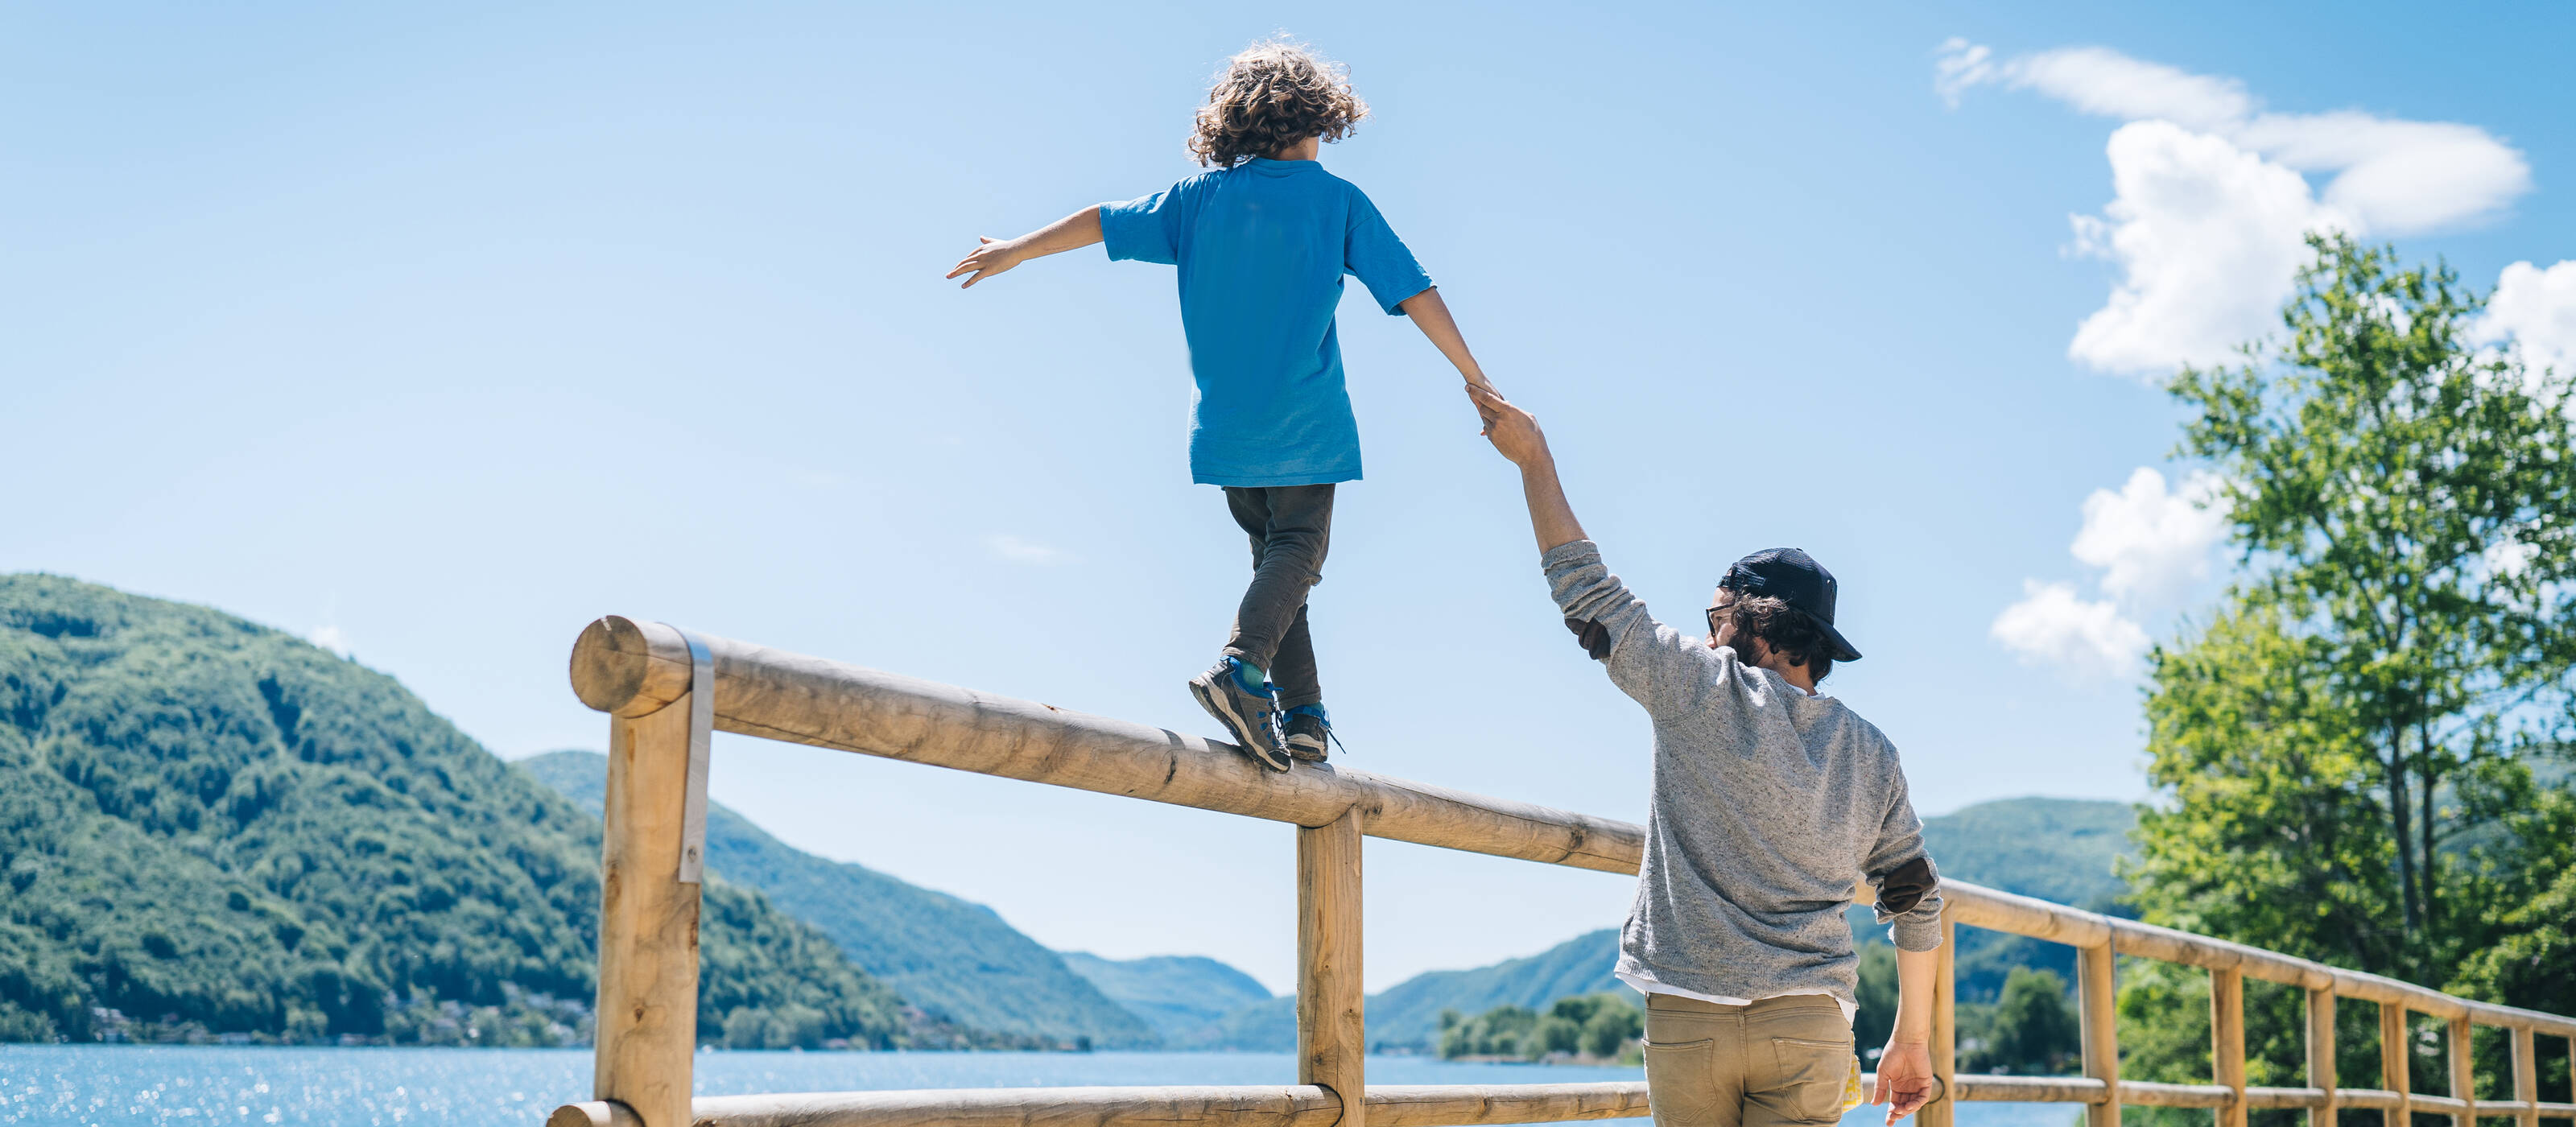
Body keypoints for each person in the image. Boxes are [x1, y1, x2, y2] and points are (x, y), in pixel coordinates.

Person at [947, 40, 1494, 770]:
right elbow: (1414, 291)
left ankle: (1301, 716)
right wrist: (1476, 379)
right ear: (1321, 119)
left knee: (1278, 565)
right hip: (1305, 422)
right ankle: (1240, 671)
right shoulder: (1337, 201)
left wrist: (1017, 247)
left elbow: (1102, 221)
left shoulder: (1197, 200)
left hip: (1227, 431)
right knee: (1300, 551)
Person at [1464, 382, 1944, 1127]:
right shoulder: (1873, 753)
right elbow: (1913, 896)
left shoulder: (1703, 688)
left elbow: (1588, 596)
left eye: (1718, 615)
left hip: (1692, 1016)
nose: (1711, 632)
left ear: (1760, 623)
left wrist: (1534, 460)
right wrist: (1911, 1040)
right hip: (1812, 1025)